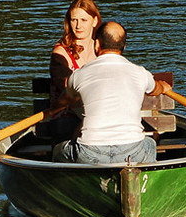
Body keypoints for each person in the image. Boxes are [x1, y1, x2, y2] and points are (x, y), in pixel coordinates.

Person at [53, 21, 172, 165]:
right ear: (124, 46)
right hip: (133, 151)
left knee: (58, 151)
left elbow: (66, 101)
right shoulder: (141, 73)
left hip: (89, 152)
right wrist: (163, 87)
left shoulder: (79, 75)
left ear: (96, 44)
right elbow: (156, 89)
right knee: (150, 144)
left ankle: (64, 181)